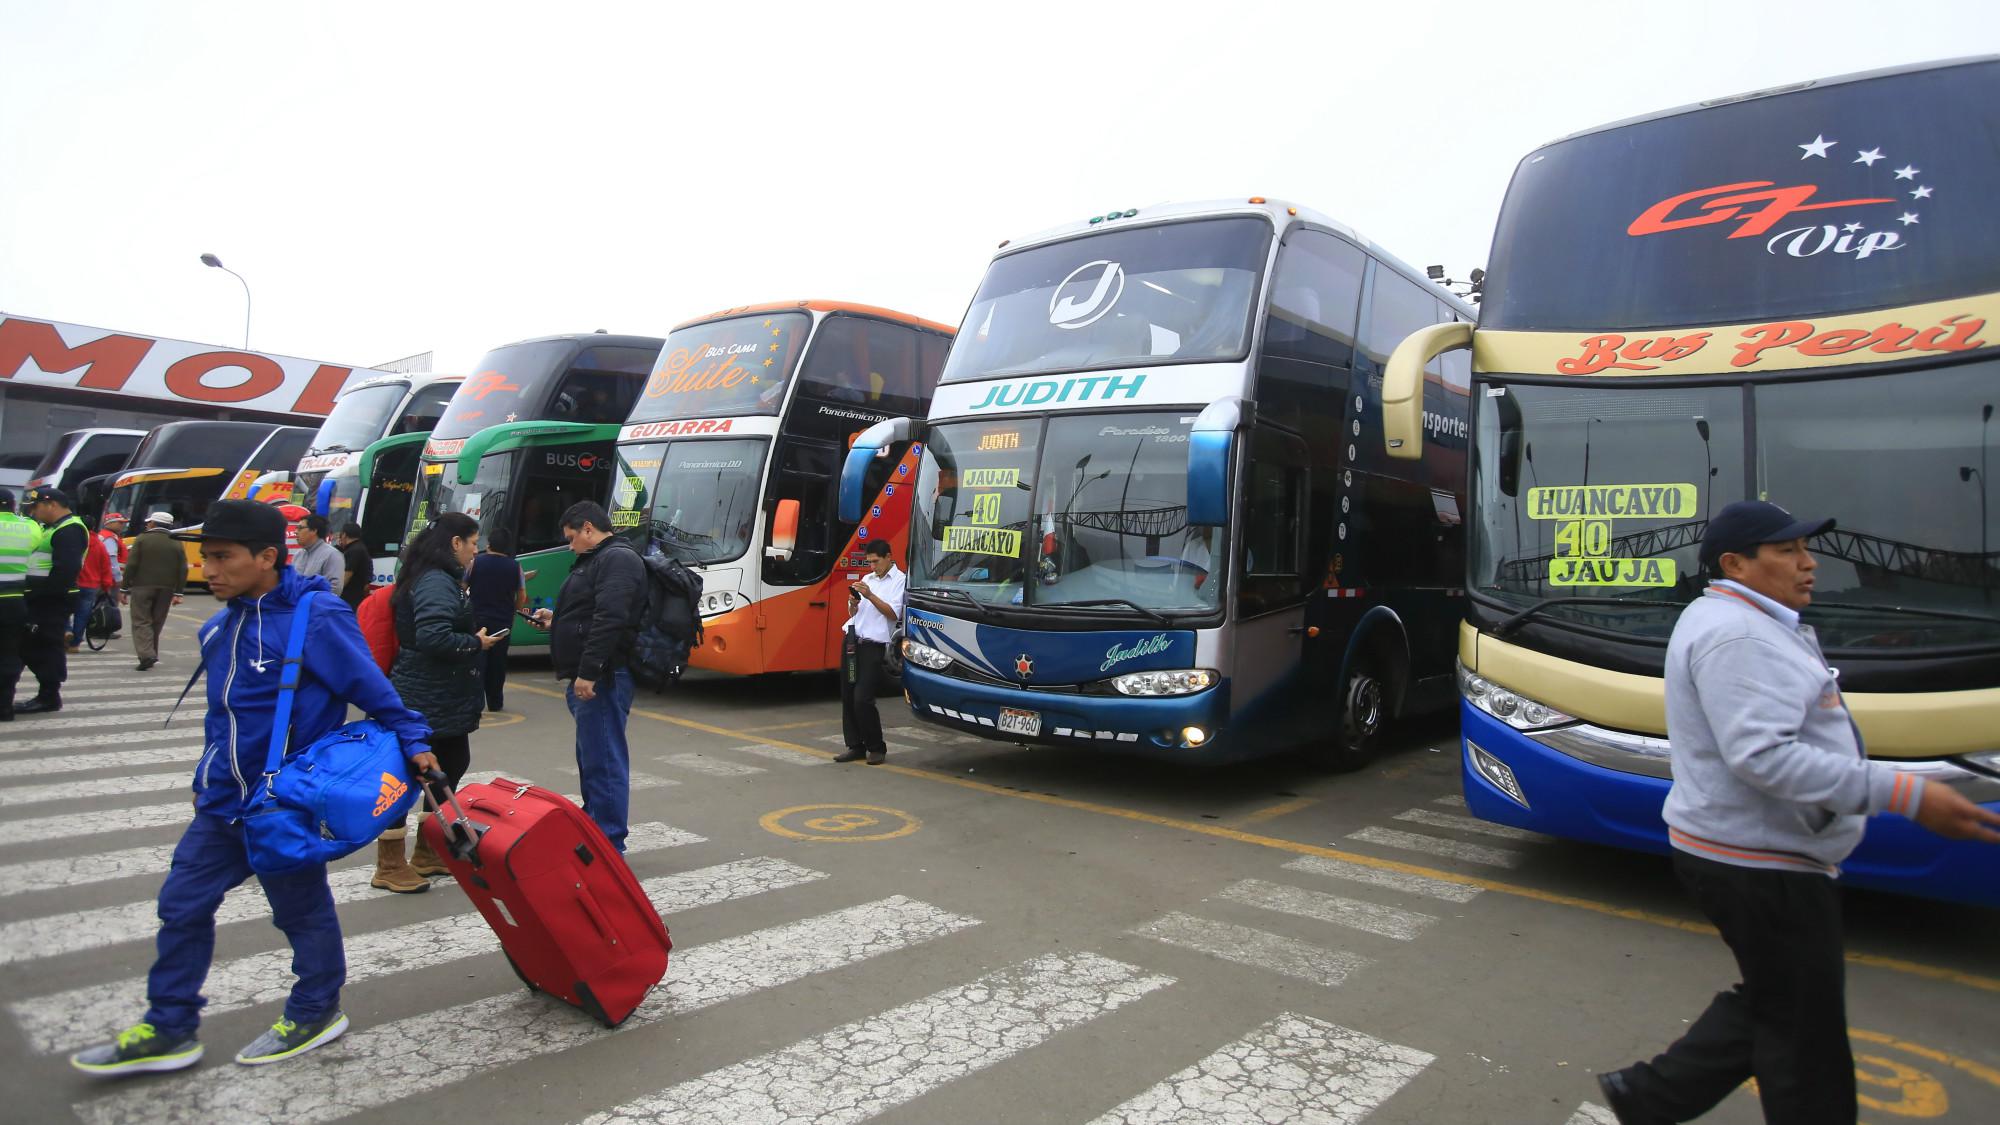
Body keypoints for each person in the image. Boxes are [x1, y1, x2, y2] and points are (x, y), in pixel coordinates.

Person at [1595, 501, 2000, 1125]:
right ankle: (1653, 1096)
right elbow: (1763, 758)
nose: (1809, 564)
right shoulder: (1737, 634)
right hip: (1758, 860)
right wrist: (1908, 795)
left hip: (1761, 853)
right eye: (1787, 552)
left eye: (1805, 549)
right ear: (1736, 564)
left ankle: (1650, 1096)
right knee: (1804, 1041)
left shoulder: (1746, 621)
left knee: (1782, 1001)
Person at [68, 500, 438, 1077]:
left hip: (281, 805)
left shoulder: (315, 616)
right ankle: (169, 1026)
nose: (209, 570)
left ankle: (316, 1010)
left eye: (223, 558)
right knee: (181, 907)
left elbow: (375, 690)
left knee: (300, 912)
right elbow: (226, 719)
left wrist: (417, 745)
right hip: (222, 803)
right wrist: (207, 778)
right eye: (206, 557)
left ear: (268, 557)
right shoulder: (229, 619)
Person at [373, 512, 499, 894]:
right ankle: (390, 865)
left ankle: (428, 853)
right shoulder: (436, 582)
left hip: (439, 694)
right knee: (407, 776)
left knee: (449, 767)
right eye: (473, 543)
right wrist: (475, 643)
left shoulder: (434, 578)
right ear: (455, 543)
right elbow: (433, 636)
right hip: (426, 694)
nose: (475, 552)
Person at [528, 501, 643, 850]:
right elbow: (591, 613)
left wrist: (590, 672)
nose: (569, 545)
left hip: (604, 677)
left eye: (571, 537)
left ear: (589, 528)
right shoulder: (599, 559)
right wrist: (557, 619)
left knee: (604, 760)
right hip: (594, 674)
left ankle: (609, 842)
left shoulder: (617, 559)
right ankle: (596, 828)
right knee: (592, 757)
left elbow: (611, 619)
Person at [834, 539, 905, 765]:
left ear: (888, 557)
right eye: (869, 562)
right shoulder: (867, 579)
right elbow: (857, 612)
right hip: (853, 639)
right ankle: (855, 745)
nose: (873, 566)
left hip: (873, 644)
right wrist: (853, 604)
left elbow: (893, 614)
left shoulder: (900, 580)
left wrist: (871, 595)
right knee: (848, 694)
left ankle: (876, 747)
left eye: (876, 561)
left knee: (863, 698)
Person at [20, 487, 87, 713]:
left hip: (51, 600)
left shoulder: (70, 530)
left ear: (52, 504)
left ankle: (49, 696)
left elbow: (65, 571)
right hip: (42, 598)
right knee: (35, 643)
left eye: (35, 507)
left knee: (46, 645)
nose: (33, 512)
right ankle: (46, 693)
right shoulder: (52, 528)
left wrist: (35, 594)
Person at [466, 527, 526, 711]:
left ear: (489, 544)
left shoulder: (475, 562)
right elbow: (522, 595)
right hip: (503, 621)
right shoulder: (515, 566)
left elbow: (462, 585)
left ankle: (476, 702)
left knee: (477, 660)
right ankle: (495, 702)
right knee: (498, 662)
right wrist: (513, 611)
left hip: (477, 619)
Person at [122, 511, 187, 670]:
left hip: (142, 586)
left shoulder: (142, 539)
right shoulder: (176, 542)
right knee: (157, 621)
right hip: (167, 588)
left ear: (153, 524)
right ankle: (152, 653)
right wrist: (179, 592)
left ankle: (146, 655)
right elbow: (183, 568)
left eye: (149, 522)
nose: (147, 524)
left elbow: (132, 565)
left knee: (141, 620)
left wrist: (124, 587)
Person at [0, 491, 36, 719]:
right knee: (9, 653)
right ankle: (4, 707)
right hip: (14, 601)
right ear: (14, 505)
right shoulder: (30, 527)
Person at [70, 513, 116, 651]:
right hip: (91, 586)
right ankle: (75, 643)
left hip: (73, 583)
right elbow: (106, 567)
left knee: (63, 610)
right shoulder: (100, 545)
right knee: (82, 615)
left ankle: (66, 631)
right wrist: (107, 585)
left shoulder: (73, 541)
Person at [95, 512, 129, 638]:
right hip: (110, 578)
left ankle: (98, 628)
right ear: (110, 523)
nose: (122, 526)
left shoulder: (105, 536)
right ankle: (103, 629)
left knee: (101, 603)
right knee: (109, 604)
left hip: (104, 576)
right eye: (120, 523)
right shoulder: (109, 538)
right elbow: (111, 559)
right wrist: (118, 578)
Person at [291, 514, 344, 590]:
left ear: (314, 530)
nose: (295, 532)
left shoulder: (332, 555)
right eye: (296, 528)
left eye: (300, 528)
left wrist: (312, 600)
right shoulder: (298, 555)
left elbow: (335, 588)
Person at [335, 522, 373, 608]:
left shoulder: (354, 550)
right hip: (356, 595)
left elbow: (347, 576)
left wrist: (334, 593)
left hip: (351, 596)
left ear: (344, 534)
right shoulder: (358, 547)